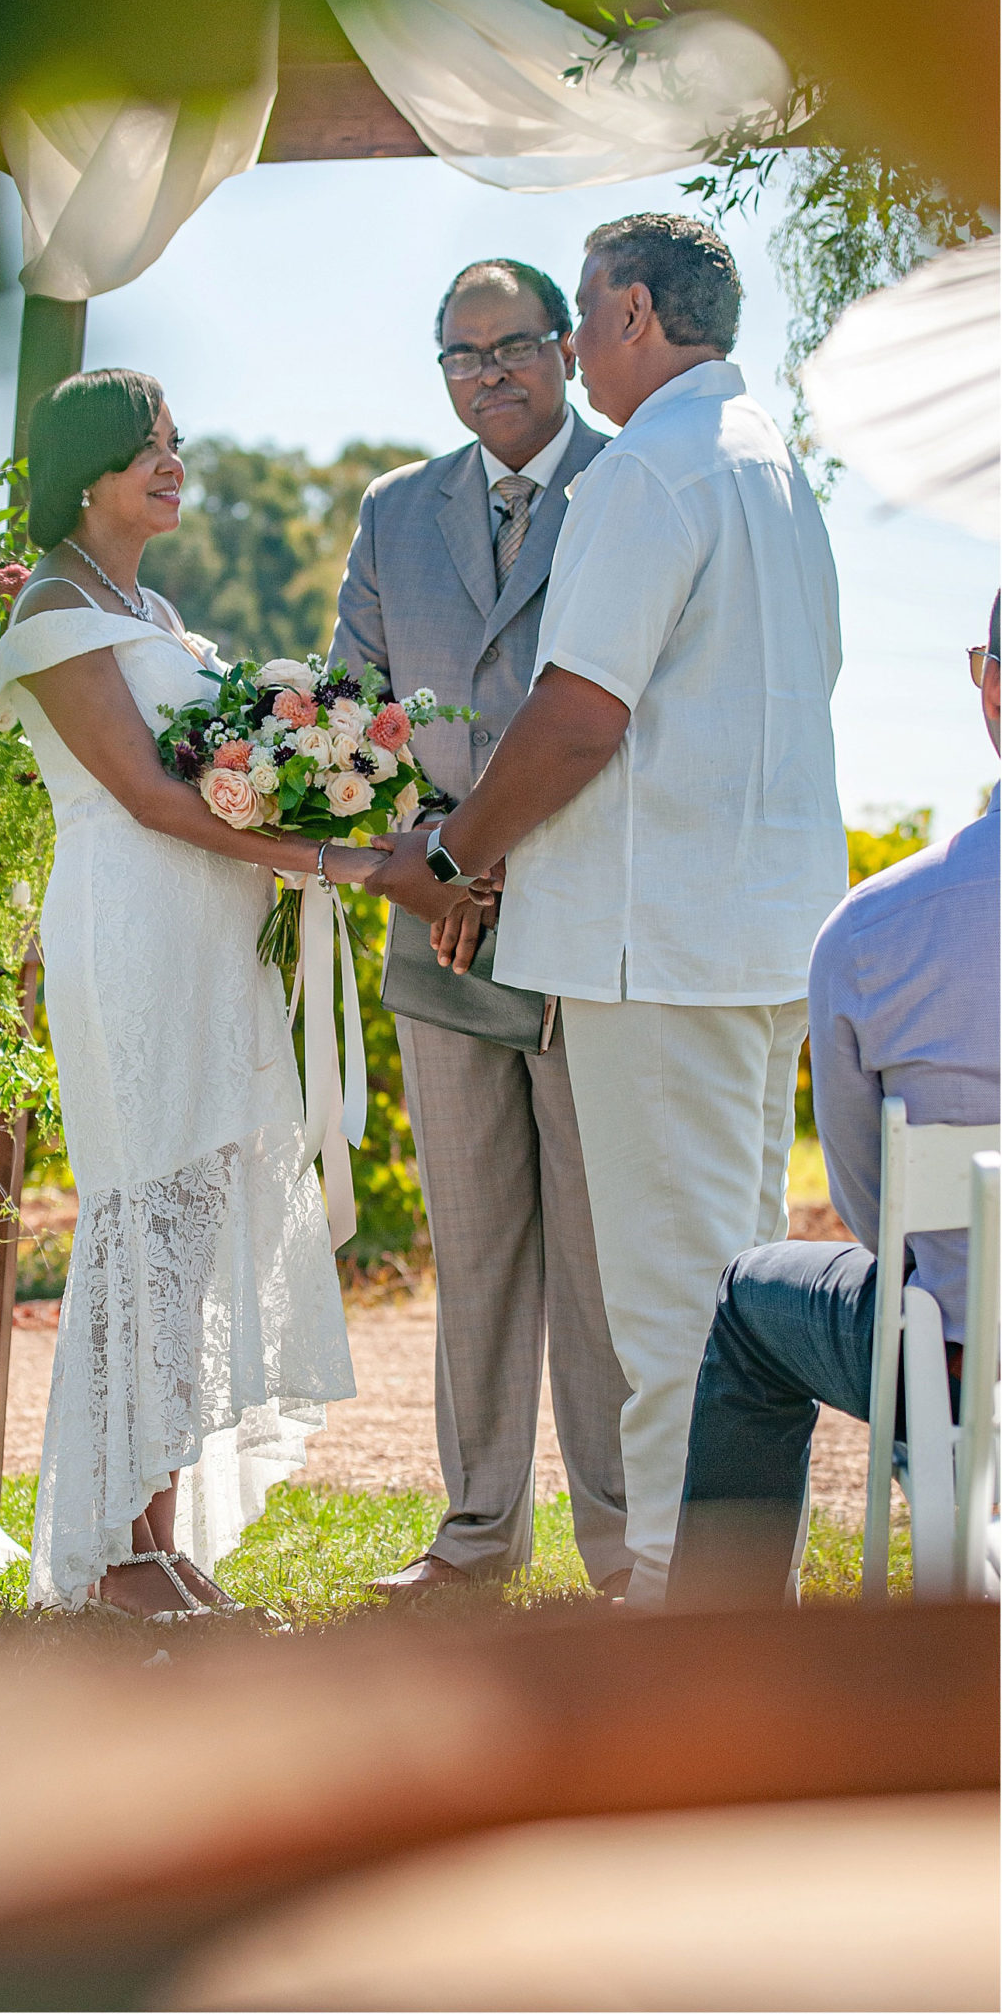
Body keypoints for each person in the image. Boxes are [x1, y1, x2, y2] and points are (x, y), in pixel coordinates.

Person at [369, 215, 847, 1609]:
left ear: (633, 312)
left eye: (578, 317)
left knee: (668, 1309)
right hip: (755, 946)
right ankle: (726, 1600)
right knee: (736, 1294)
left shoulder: (648, 471)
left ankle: (671, 1608)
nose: (571, 348)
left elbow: (578, 715)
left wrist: (455, 856)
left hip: (656, 954)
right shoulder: (772, 467)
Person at [0, 370, 374, 1619]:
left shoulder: (145, 605)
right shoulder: (51, 608)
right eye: (145, 446)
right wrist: (341, 860)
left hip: (211, 942)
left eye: (174, 443)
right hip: (130, 931)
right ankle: (109, 1556)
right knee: (139, 1220)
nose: (170, 462)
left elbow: (217, 779)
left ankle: (157, 1536)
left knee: (191, 1231)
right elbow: (158, 798)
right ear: (87, 469)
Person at [329, 258, 630, 1599]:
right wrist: (424, 871)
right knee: (478, 1248)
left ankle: (624, 1544)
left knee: (599, 1252)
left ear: (564, 350)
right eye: (461, 353)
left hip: (589, 913)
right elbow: (352, 711)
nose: (489, 371)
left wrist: (491, 854)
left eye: (513, 344)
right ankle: (474, 1540)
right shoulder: (395, 515)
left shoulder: (636, 483)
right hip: (434, 930)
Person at [668, 602, 1002, 1608]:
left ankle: (718, 1670)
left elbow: (874, 1206)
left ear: (989, 684)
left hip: (956, 1348)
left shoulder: (872, 929)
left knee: (751, 1296)